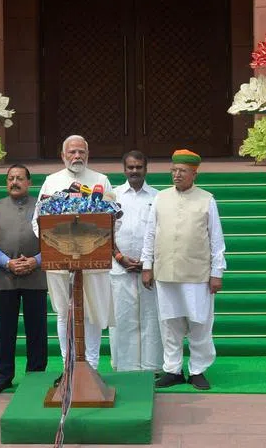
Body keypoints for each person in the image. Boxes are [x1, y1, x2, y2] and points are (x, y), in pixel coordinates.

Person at [141, 149, 226, 391]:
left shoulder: (207, 199)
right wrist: (147, 266)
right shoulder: (160, 198)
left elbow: (216, 240)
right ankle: (172, 369)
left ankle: (198, 370)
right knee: (170, 324)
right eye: (174, 171)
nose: (177, 175)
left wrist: (216, 273)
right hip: (165, 272)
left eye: (182, 171)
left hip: (197, 275)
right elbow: (150, 234)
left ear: (194, 174)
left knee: (199, 324)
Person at [32, 134, 115, 378]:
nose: (77, 156)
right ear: (63, 156)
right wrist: (55, 246)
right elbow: (37, 222)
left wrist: (98, 243)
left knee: (92, 312)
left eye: (81, 152)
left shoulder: (101, 180)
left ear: (87, 155)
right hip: (60, 262)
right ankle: (69, 367)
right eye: (72, 152)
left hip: (93, 260)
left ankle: (91, 367)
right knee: (64, 312)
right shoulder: (51, 182)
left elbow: (114, 219)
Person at [0, 163, 48, 394]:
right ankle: (3, 377)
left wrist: (35, 261)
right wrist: (7, 262)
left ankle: (36, 376)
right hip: (4, 277)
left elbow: (51, 239)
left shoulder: (42, 207)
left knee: (36, 329)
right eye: (11, 178)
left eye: (20, 178)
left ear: (29, 183)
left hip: (36, 276)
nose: (15, 182)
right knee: (5, 330)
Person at [109, 150, 162, 373]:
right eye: (130, 167)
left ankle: (153, 367)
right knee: (122, 319)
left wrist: (147, 262)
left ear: (146, 169)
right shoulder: (113, 196)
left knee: (152, 319)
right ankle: (125, 367)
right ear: (124, 169)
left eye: (138, 167)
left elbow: (161, 233)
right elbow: (104, 231)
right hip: (119, 267)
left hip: (149, 269)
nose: (134, 171)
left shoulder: (158, 197)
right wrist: (120, 257)